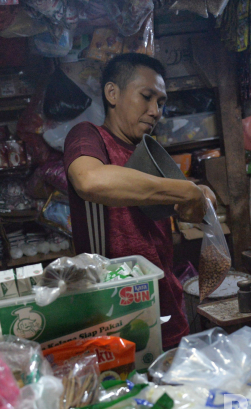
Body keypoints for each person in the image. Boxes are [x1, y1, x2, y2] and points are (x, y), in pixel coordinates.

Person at [63, 53, 216, 350]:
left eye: (160, 102)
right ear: (112, 94)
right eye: (146, 97)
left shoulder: (149, 151)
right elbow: (90, 180)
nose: (155, 110)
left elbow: (181, 202)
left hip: (165, 300)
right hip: (112, 310)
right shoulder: (89, 136)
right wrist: (184, 191)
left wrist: (198, 194)